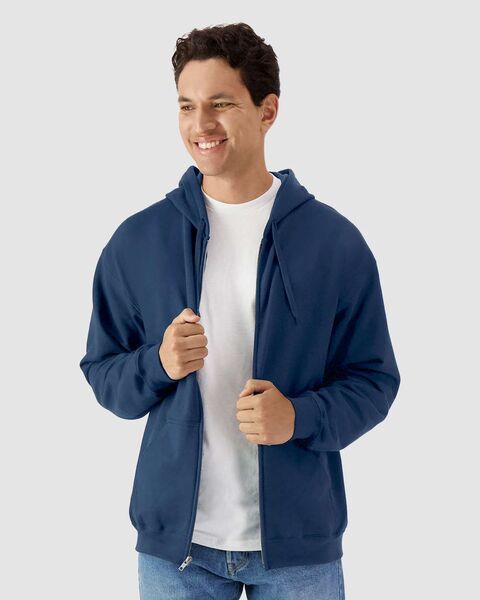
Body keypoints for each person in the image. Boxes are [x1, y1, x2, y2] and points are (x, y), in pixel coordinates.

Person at [79, 22, 401, 600]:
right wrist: (158, 364)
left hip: (299, 549)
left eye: (221, 104)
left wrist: (297, 417)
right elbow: (105, 376)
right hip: (177, 551)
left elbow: (374, 381)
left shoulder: (334, 243)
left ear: (267, 110)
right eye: (187, 106)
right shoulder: (139, 241)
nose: (200, 124)